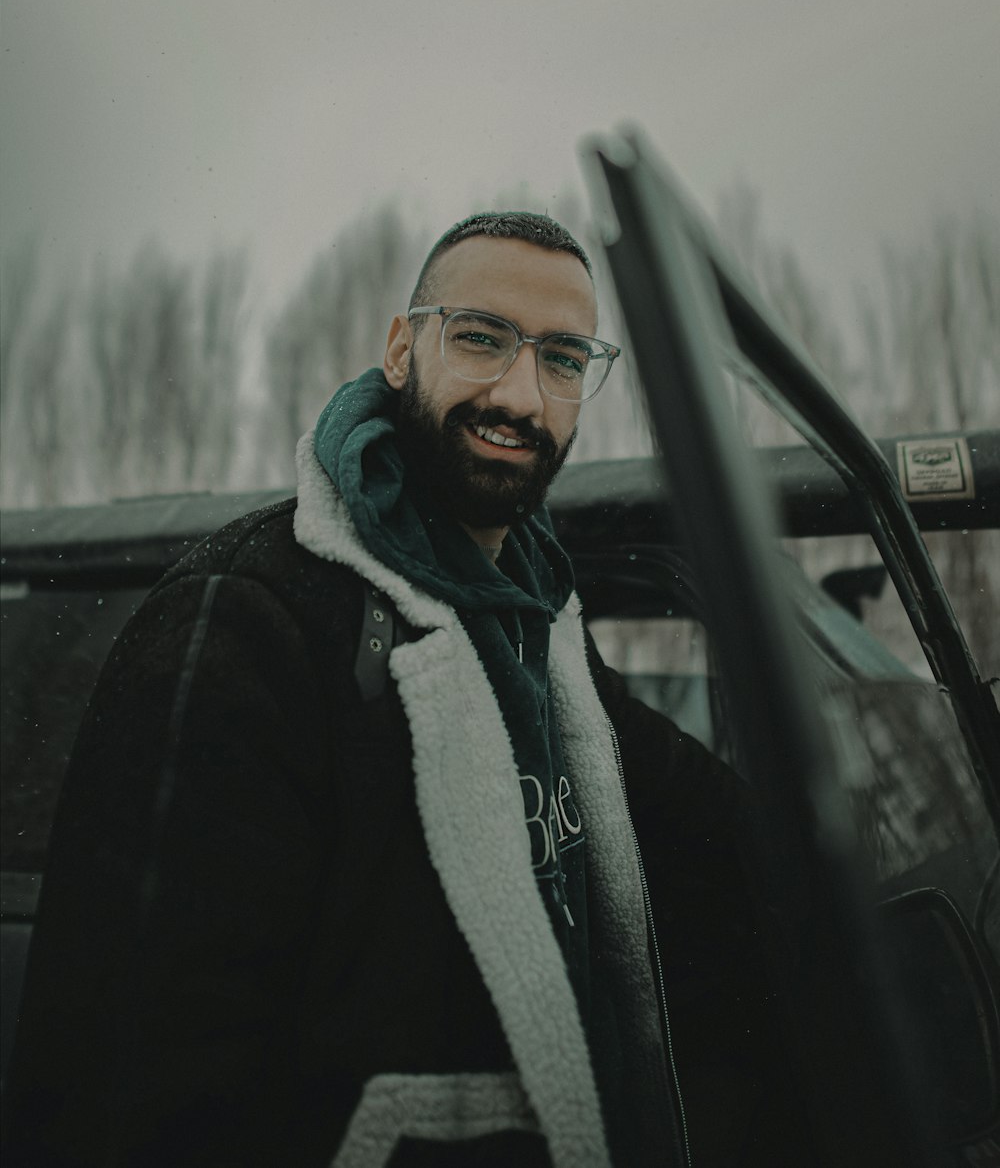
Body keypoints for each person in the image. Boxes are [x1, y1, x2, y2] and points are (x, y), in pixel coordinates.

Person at [6, 212, 775, 1168]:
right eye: (482, 338)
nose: (521, 396)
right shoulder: (246, 621)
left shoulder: (539, 628)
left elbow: (718, 829)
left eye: (564, 359)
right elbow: (132, 1088)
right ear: (403, 349)